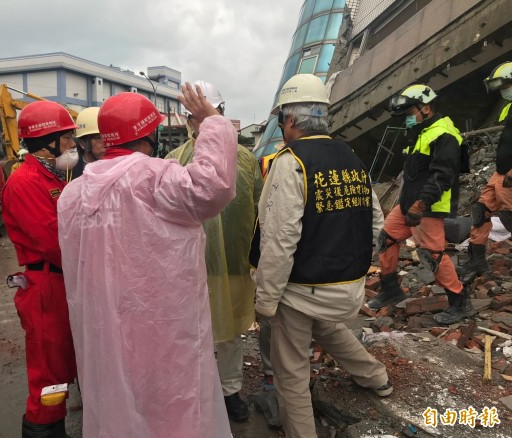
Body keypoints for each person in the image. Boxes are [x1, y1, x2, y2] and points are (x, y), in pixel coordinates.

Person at [58, 85, 236, 438]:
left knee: (116, 399)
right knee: (170, 403)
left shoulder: (73, 194)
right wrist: (213, 123)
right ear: (149, 134)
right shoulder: (157, 179)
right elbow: (213, 184)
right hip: (162, 329)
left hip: (104, 326)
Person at [253, 74, 391, 438]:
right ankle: (377, 378)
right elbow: (376, 220)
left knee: (291, 372)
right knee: (328, 327)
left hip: (302, 290)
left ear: (291, 120)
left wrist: (265, 301)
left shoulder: (291, 161)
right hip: (347, 286)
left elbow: (280, 240)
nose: (282, 127)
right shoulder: (350, 156)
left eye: (281, 120)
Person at [165, 80, 263, 421]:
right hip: (191, 268)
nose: (201, 122)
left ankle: (230, 390)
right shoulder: (174, 160)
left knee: (231, 333)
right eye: (197, 117)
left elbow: (260, 208)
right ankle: (198, 390)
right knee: (193, 333)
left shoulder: (247, 158)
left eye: (209, 114)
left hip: (235, 263)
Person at [1, 100, 79, 438]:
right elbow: (55, 243)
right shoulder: (25, 183)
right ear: (48, 141)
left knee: (62, 362)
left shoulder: (50, 177)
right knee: (50, 373)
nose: (72, 146)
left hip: (58, 283)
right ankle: (43, 427)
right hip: (47, 285)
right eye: (67, 139)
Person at [368, 84, 476, 325]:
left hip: (427, 206)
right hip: (409, 203)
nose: (407, 119)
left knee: (432, 255)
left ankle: (460, 301)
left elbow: (443, 175)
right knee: (386, 238)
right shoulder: (421, 131)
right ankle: (390, 289)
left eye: (409, 113)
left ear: (425, 108)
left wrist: (421, 203)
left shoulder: (444, 134)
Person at [457, 61, 512, 278]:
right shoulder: (509, 108)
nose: (503, 91)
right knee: (480, 212)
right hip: (500, 173)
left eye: (505, 85)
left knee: (509, 218)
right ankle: (476, 262)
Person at [71, 106, 105, 179]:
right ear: (83, 143)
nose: (106, 143)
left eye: (107, 137)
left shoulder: (118, 165)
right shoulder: (69, 169)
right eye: (98, 138)